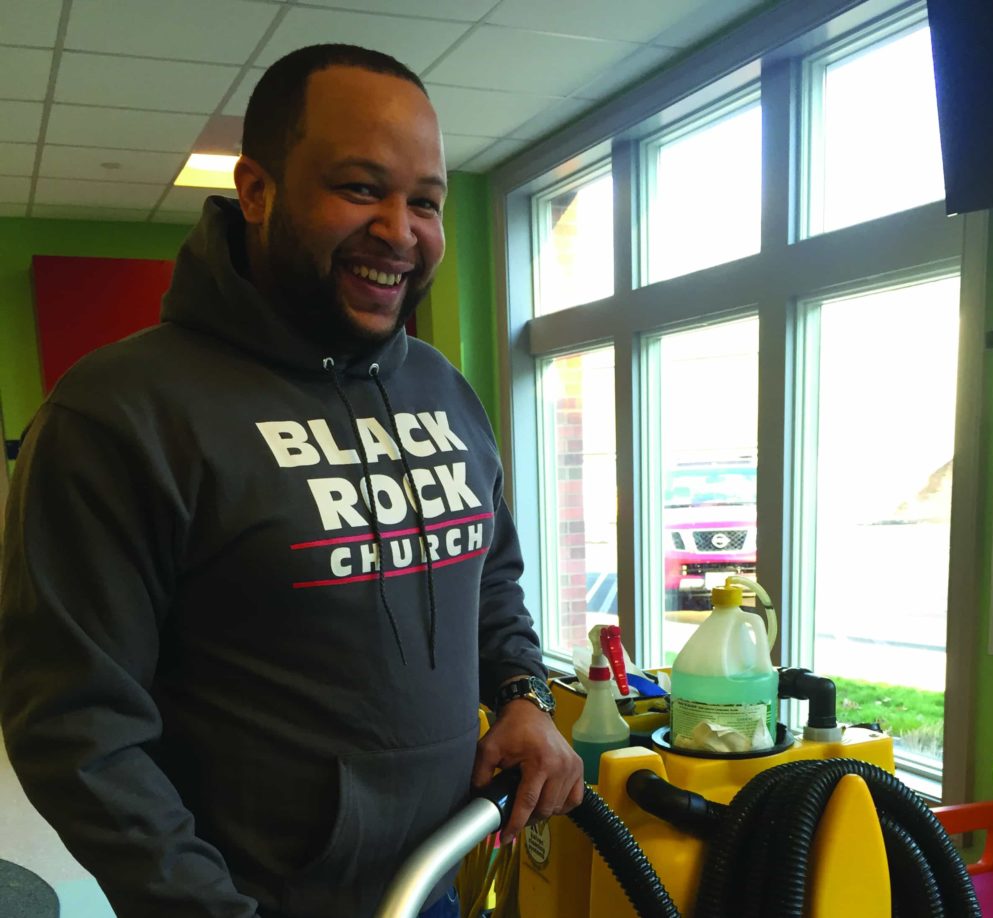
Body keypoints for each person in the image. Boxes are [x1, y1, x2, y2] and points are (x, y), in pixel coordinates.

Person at [0, 43, 582, 918]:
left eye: (426, 201)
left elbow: (490, 579)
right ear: (256, 190)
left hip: (433, 879)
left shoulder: (442, 389)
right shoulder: (120, 412)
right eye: (359, 187)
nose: (400, 230)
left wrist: (523, 698)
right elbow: (75, 726)